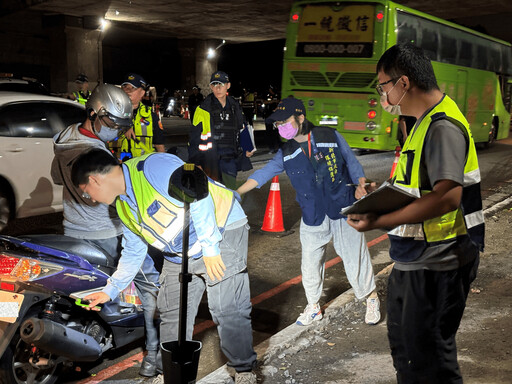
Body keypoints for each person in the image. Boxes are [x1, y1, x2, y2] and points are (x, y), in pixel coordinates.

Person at [347, 43, 484, 383]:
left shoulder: (442, 126)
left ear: (403, 83)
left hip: (439, 264)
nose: (383, 96)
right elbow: (418, 184)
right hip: (416, 260)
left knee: (430, 364)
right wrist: (380, 195)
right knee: (408, 356)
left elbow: (446, 198)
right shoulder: (421, 123)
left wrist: (379, 221)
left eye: (383, 87)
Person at [70, 149, 258, 384]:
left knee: (226, 306)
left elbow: (198, 196)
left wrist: (210, 249)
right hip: (180, 251)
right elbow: (133, 251)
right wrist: (110, 289)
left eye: (88, 194)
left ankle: (243, 370)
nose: (94, 200)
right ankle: (170, 373)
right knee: (171, 310)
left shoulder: (152, 167)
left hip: (220, 230)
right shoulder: (123, 206)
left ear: (94, 180)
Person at [236, 97, 381, 326]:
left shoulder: (329, 136)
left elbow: (351, 162)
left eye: (285, 121)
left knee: (355, 257)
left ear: (301, 118)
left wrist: (361, 183)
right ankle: (313, 306)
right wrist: (239, 192)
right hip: (312, 213)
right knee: (311, 263)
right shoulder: (286, 151)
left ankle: (370, 297)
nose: (281, 127)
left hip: (342, 206)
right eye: (278, 123)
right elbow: (263, 174)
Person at [51, 84, 162, 377]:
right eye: (112, 123)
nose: (116, 131)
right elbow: (119, 198)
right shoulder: (96, 153)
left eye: (121, 126)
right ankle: (154, 354)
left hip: (72, 230)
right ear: (93, 113)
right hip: (107, 232)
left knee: (81, 289)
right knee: (150, 285)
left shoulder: (63, 138)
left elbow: (55, 177)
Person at [188, 70, 253, 190]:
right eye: (214, 85)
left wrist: (247, 147)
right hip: (209, 159)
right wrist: (195, 162)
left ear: (228, 86)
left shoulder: (235, 107)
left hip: (229, 158)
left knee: (229, 192)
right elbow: (194, 138)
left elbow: (242, 127)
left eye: (221, 84)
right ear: (211, 87)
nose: (217, 88)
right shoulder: (202, 109)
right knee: (211, 193)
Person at [115, 73, 165, 160]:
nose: (127, 91)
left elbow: (159, 145)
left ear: (142, 93)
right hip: (120, 165)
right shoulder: (112, 112)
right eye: (125, 87)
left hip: (143, 165)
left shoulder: (151, 115)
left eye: (132, 88)